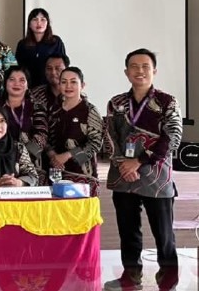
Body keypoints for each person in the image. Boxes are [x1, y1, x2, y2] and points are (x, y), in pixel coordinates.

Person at [103, 49, 181, 291]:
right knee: (128, 232)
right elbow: (110, 137)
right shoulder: (116, 103)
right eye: (134, 66)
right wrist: (123, 164)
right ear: (126, 72)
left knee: (164, 234)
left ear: (154, 71)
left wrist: (139, 161)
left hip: (156, 177)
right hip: (123, 176)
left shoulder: (167, 102)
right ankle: (131, 277)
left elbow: (172, 137)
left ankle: (168, 280)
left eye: (145, 66)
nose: (140, 71)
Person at [46, 67, 101, 196]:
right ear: (59, 85)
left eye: (73, 82)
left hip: (83, 174)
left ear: (82, 85)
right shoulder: (53, 110)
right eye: (64, 82)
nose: (68, 86)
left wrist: (67, 155)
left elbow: (96, 143)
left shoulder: (90, 110)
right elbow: (46, 137)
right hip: (56, 172)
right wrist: (53, 156)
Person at [0, 66, 48, 183]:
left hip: (30, 163)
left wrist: (21, 157)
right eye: (12, 79)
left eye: (22, 80)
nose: (17, 84)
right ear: (5, 83)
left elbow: (41, 135)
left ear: (27, 85)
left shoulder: (36, 107)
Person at [15, 8, 66, 89]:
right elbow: (19, 67)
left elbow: (62, 65)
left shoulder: (55, 42)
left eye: (43, 19)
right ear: (29, 24)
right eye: (35, 19)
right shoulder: (23, 44)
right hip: (29, 86)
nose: (39, 23)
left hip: (51, 85)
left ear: (47, 23)